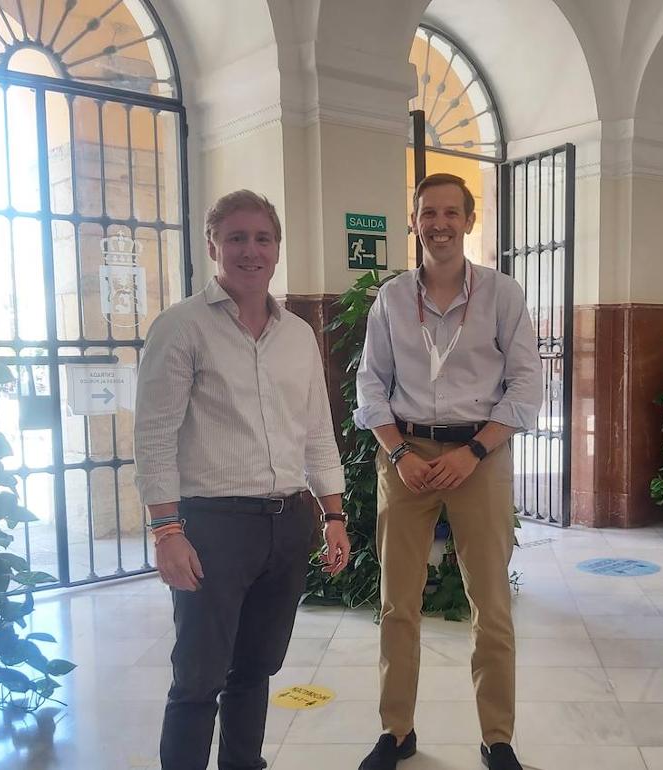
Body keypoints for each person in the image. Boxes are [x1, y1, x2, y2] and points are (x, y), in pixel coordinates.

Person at [134, 189, 352, 770]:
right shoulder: (180, 328)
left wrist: (333, 514)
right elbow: (153, 439)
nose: (250, 251)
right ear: (213, 245)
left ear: (277, 248)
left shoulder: (298, 334)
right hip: (213, 527)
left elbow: (317, 432)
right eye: (236, 238)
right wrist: (167, 532)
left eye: (262, 238)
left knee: (255, 670)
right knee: (198, 678)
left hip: (287, 524)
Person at [354, 173, 543, 770]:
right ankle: (396, 731)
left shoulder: (502, 295)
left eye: (450, 213)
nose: (439, 224)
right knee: (397, 602)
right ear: (414, 222)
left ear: (469, 219)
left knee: (491, 603)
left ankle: (497, 738)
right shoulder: (391, 299)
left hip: (479, 456)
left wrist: (474, 453)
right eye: (428, 213)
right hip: (405, 456)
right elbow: (370, 386)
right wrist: (399, 454)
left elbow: (526, 387)